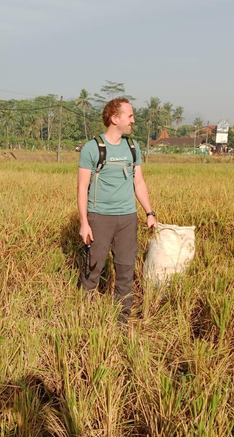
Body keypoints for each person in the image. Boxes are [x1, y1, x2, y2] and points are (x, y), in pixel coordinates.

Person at [77, 97, 157, 323]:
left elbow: (138, 182)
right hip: (99, 216)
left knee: (125, 269)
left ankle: (122, 319)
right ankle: (86, 318)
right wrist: (84, 223)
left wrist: (149, 213)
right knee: (93, 268)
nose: (133, 120)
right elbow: (82, 187)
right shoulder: (93, 148)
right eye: (130, 116)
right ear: (115, 118)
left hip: (127, 218)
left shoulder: (132, 147)